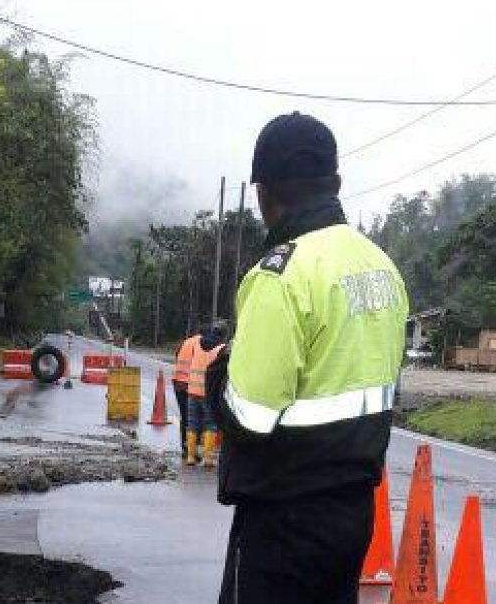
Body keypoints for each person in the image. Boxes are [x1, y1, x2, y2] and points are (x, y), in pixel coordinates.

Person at [207, 113, 409, 604]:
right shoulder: (380, 266)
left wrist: (217, 374)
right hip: (352, 511)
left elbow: (250, 415)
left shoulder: (281, 274)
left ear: (262, 193)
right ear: (336, 183)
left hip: (283, 517)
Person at [186, 321, 227, 467]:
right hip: (208, 393)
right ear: (223, 334)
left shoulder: (197, 344)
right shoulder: (221, 348)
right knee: (210, 424)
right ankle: (207, 458)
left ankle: (190, 456)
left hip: (192, 390)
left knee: (192, 423)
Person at [172, 328, 202, 456]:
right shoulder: (202, 344)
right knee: (195, 418)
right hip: (191, 384)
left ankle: (185, 447)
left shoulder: (186, 342)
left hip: (178, 382)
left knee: (185, 416)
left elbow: (177, 356)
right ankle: (191, 450)